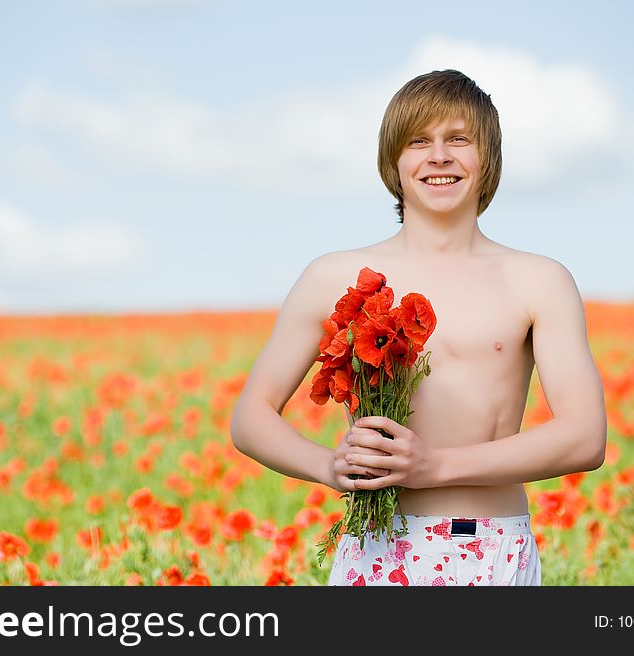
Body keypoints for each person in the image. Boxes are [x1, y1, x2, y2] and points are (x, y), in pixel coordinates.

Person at [229, 69, 607, 586]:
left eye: (459, 139)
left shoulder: (539, 280)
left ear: (488, 158)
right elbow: (251, 417)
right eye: (418, 141)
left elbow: (585, 437)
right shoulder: (332, 275)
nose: (439, 156)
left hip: (490, 547)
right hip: (374, 550)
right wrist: (328, 467)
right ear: (393, 161)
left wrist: (435, 467)